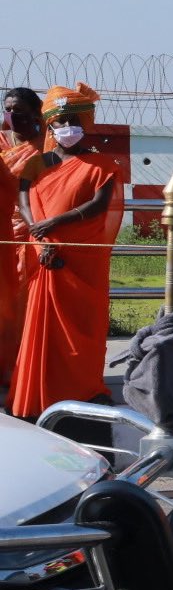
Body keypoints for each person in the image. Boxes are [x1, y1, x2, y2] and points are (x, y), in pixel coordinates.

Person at [9, 84, 122, 418]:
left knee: (85, 326)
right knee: (42, 326)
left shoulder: (102, 164)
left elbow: (99, 204)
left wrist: (55, 222)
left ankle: (85, 388)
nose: (66, 127)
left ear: (84, 123)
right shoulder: (37, 163)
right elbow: (25, 200)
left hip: (84, 259)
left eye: (72, 120)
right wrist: (39, 236)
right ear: (50, 126)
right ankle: (40, 391)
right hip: (43, 253)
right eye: (59, 122)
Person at [0, 87, 43, 386]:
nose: (13, 116)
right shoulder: (1, 142)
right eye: (8, 109)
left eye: (20, 110)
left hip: (37, 229)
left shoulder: (48, 143)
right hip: (4, 230)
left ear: (37, 113)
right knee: (5, 303)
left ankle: (26, 367)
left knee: (30, 303)